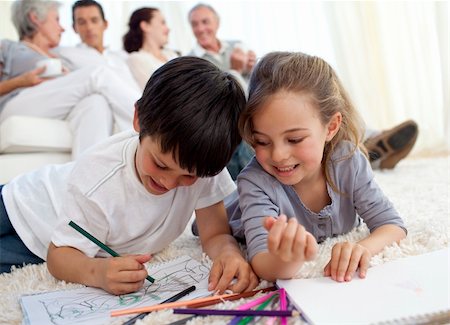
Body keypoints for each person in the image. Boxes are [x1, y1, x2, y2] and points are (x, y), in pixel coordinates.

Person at [0, 56, 258, 295]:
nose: (169, 183)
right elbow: (59, 256)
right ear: (137, 119)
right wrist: (97, 272)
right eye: (160, 164)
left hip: (43, 242)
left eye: (187, 177)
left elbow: (214, 234)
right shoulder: (98, 178)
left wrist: (229, 253)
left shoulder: (200, 165)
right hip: (24, 204)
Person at [227, 51, 407, 283]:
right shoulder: (254, 182)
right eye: (262, 141)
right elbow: (262, 263)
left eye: (294, 140)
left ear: (331, 127)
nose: (278, 155)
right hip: (229, 211)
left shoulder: (348, 161)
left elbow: (392, 225)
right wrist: (288, 259)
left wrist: (364, 248)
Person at [0, 0, 140, 158]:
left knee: (95, 102)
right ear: (35, 18)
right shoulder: (9, 48)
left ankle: (87, 176)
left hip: (54, 106)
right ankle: (155, 122)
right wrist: (21, 81)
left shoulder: (62, 56)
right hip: (16, 103)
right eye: (57, 20)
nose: (63, 28)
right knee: (96, 74)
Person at [188, 3, 256, 87]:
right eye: (194, 24)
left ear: (217, 23)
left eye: (205, 22)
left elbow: (256, 82)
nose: (200, 29)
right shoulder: (190, 62)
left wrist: (252, 69)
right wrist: (235, 70)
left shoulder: (238, 45)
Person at [123, 7, 179, 91]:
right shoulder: (136, 59)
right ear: (145, 26)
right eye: (162, 23)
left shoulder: (172, 54)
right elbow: (154, 93)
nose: (168, 29)